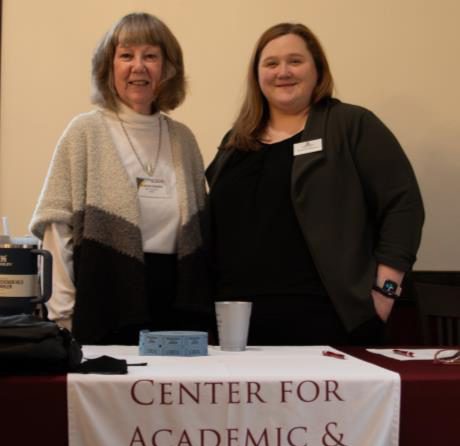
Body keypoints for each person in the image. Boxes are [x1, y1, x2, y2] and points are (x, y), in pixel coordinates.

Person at [206, 22, 425, 346]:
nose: (283, 71)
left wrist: (386, 291)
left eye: (295, 61)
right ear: (257, 75)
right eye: (271, 63)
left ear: (318, 70)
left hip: (329, 320)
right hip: (239, 326)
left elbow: (403, 205)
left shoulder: (351, 125)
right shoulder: (236, 141)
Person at [30, 12, 207, 344]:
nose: (138, 66)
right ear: (108, 67)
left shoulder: (183, 140)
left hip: (178, 312)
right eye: (126, 55)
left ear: (168, 68)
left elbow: (199, 235)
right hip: (104, 304)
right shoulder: (84, 133)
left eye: (150, 56)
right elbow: (57, 230)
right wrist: (64, 315)